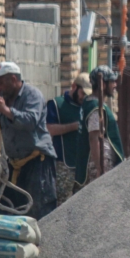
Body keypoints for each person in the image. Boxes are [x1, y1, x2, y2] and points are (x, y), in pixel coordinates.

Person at [0, 62, 58, 219]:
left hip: (37, 162)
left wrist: (6, 110)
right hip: (15, 164)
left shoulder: (32, 95)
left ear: (14, 79)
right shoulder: (5, 99)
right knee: (8, 207)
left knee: (39, 208)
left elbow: (30, 121)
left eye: (1, 83)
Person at [75, 65, 125, 188]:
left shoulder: (90, 102)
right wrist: (100, 168)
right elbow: (94, 138)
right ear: (102, 84)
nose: (115, 85)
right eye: (112, 81)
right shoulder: (95, 107)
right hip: (98, 164)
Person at [46, 72, 92, 205]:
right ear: (74, 87)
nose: (84, 98)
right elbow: (50, 129)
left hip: (84, 165)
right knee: (62, 204)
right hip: (63, 165)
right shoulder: (56, 104)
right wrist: (75, 126)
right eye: (83, 93)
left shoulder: (88, 106)